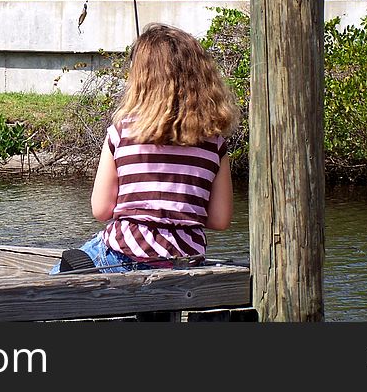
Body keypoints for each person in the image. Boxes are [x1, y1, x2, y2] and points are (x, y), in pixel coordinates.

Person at [52, 23, 240, 274]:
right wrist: (178, 213)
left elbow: (100, 209)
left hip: (124, 257)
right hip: (185, 264)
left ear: (141, 79)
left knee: (57, 276)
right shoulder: (214, 144)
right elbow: (220, 219)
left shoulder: (121, 133)